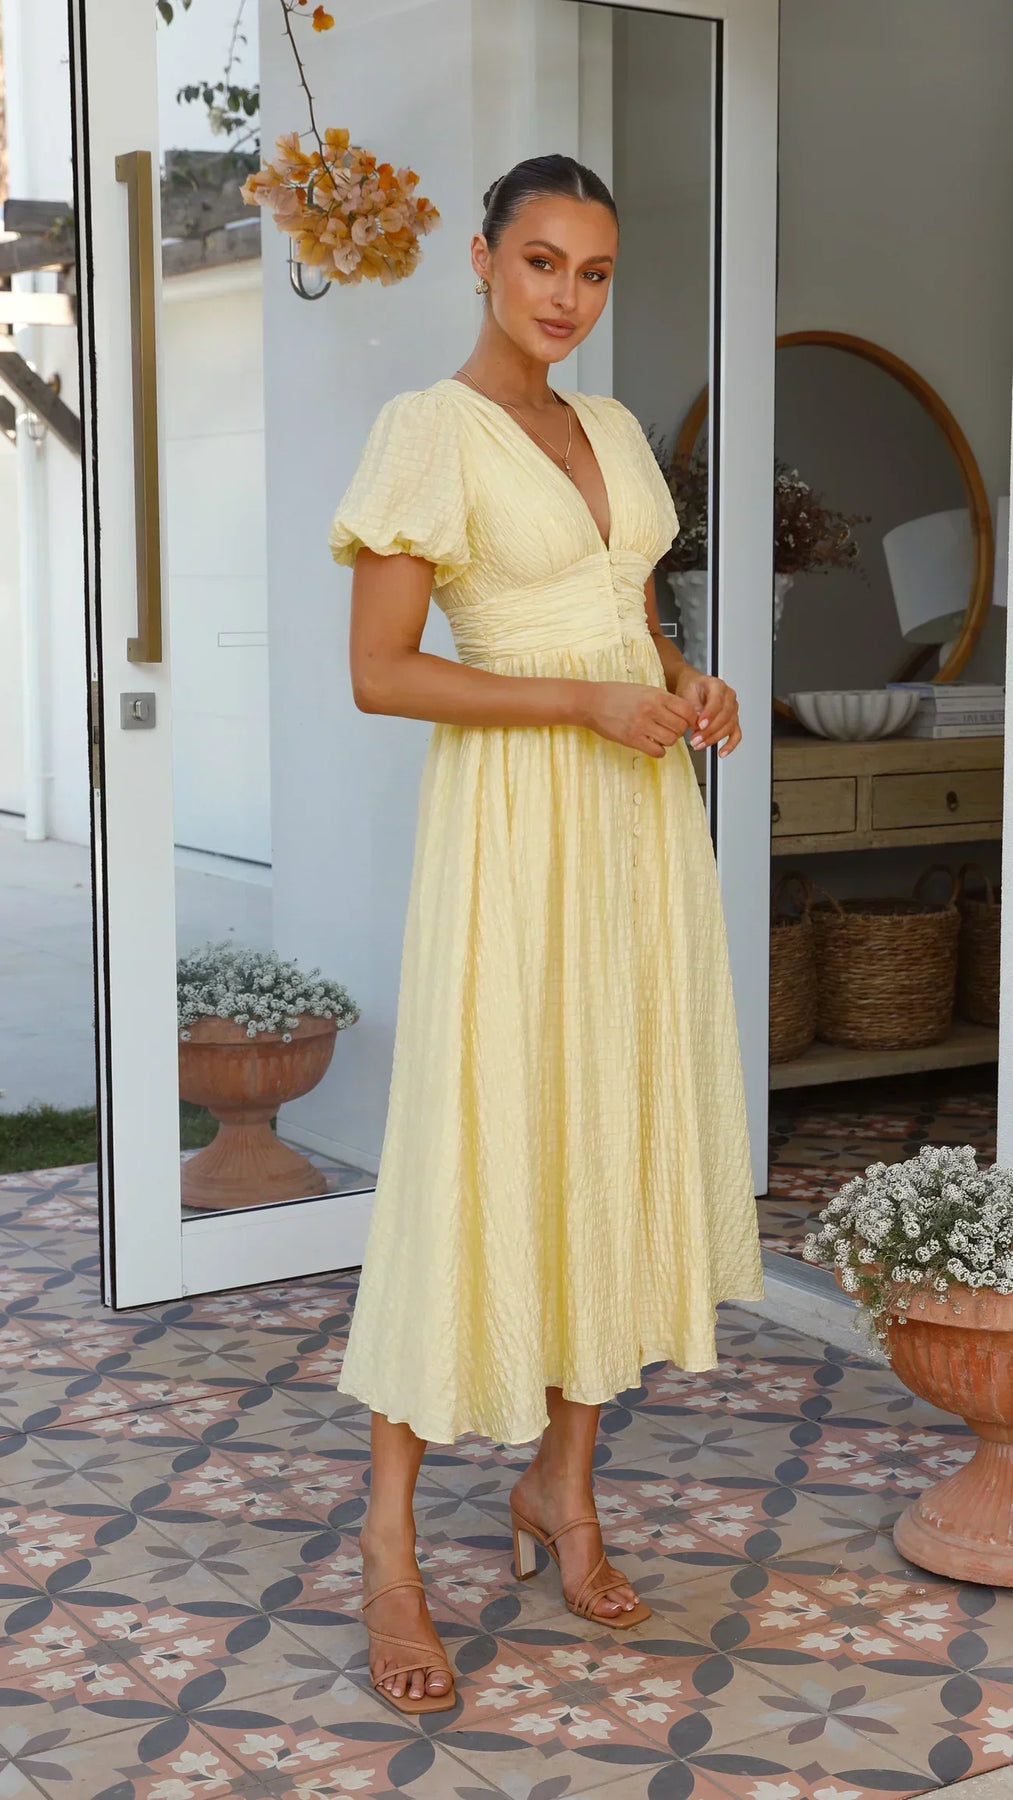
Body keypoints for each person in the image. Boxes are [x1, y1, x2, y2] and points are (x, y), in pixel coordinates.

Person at [327, 153, 764, 1716]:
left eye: (592, 272)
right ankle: (389, 1546)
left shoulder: (616, 432)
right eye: (539, 263)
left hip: (634, 831)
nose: (566, 296)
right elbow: (381, 671)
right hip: (513, 831)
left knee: (610, 1134)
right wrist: (582, 699)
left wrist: (682, 685)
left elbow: (626, 615)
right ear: (480, 260)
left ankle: (561, 1490)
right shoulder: (428, 431)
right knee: (479, 1146)